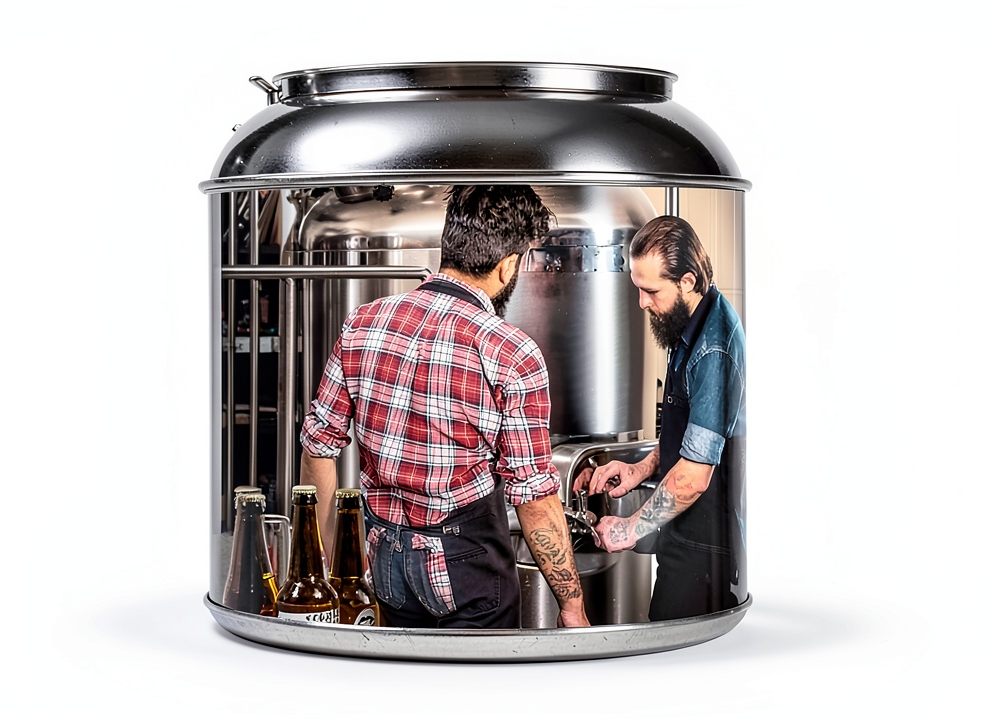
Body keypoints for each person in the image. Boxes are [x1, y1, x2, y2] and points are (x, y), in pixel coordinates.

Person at [299, 185, 589, 629]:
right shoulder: (510, 351)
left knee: (403, 671)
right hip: (466, 567)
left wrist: (324, 566)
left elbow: (318, 447)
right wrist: (571, 606)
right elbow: (532, 495)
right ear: (508, 265)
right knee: (478, 676)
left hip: (384, 563)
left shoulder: (363, 323)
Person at [575, 215, 746, 621]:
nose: (642, 303)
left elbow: (695, 475)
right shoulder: (689, 325)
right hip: (682, 534)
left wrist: (629, 528)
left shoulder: (713, 349)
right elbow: (691, 438)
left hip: (706, 548)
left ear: (687, 281)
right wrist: (639, 469)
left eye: (651, 291)